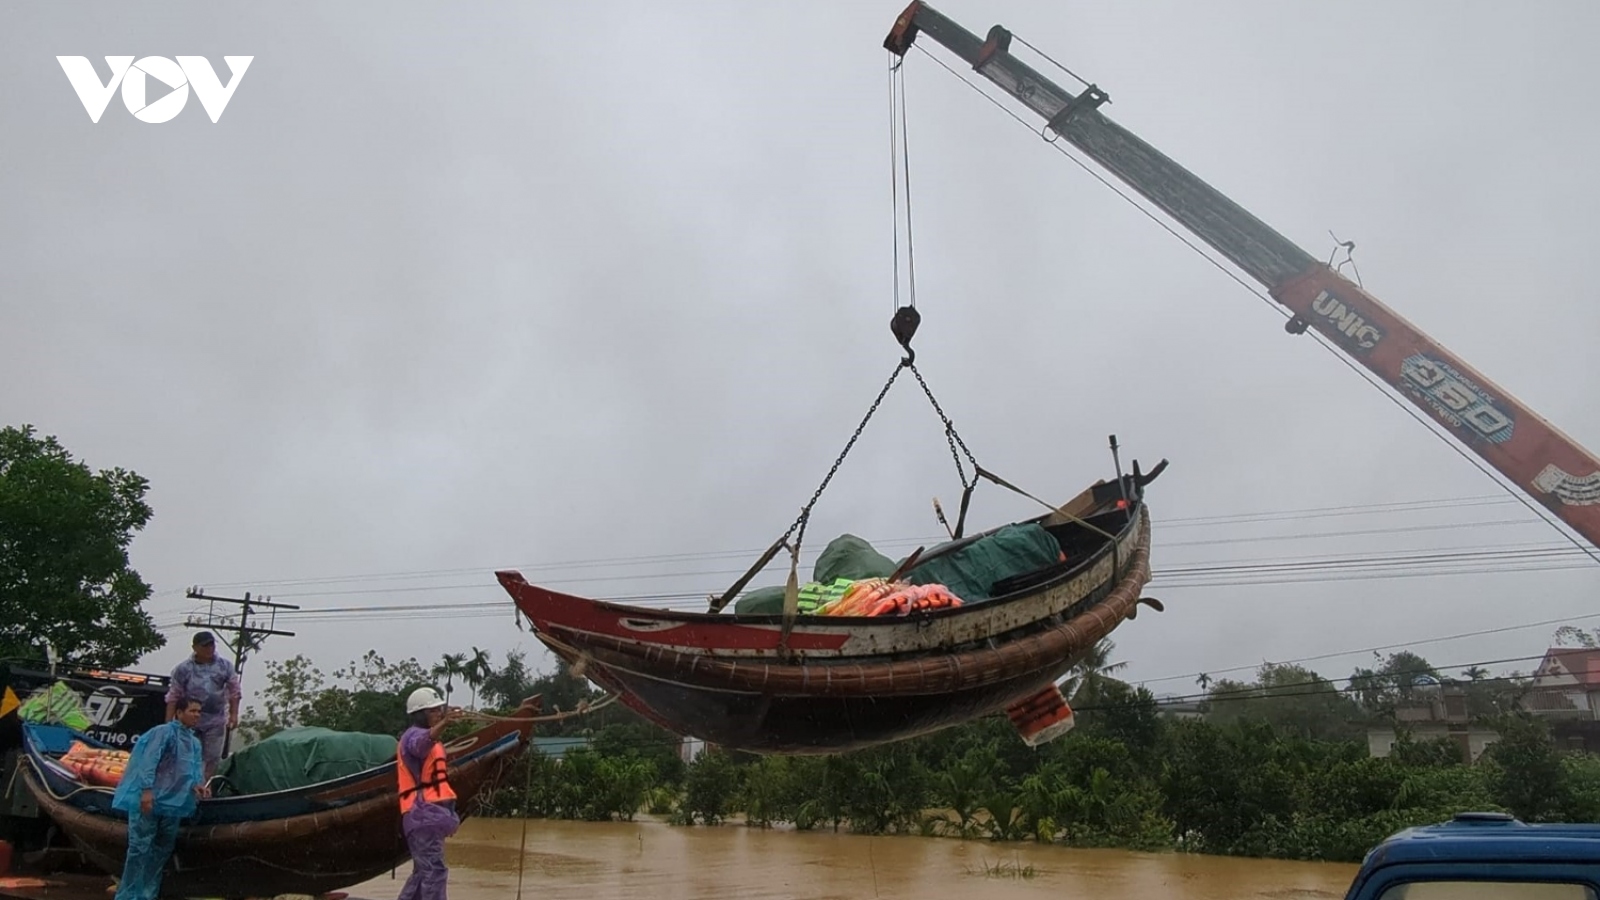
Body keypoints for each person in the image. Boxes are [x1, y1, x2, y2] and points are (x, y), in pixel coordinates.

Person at [111, 696, 207, 900]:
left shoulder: (194, 743)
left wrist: (199, 785)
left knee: (162, 848)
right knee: (139, 848)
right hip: (151, 799)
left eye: (199, 711)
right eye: (193, 711)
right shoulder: (162, 734)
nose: (197, 715)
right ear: (179, 713)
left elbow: (194, 768)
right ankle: (128, 895)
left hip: (174, 803)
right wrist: (146, 790)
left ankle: (147, 894)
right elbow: (149, 761)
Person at [396, 686, 464, 900]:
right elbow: (420, 745)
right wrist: (444, 723)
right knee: (434, 871)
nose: (437, 714)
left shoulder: (429, 738)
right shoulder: (413, 738)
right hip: (422, 812)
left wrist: (445, 719)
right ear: (419, 714)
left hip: (427, 815)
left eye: (439, 710)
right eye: (432, 711)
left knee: (423, 872)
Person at [164, 631, 241, 779]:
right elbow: (174, 695)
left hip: (215, 719)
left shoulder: (225, 666)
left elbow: (234, 691)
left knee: (212, 756)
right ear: (195, 647)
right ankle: (186, 784)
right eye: (205, 645)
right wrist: (168, 723)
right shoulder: (184, 668)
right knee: (189, 754)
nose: (209, 648)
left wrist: (233, 714)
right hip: (189, 719)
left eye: (211, 644)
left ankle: (206, 786)